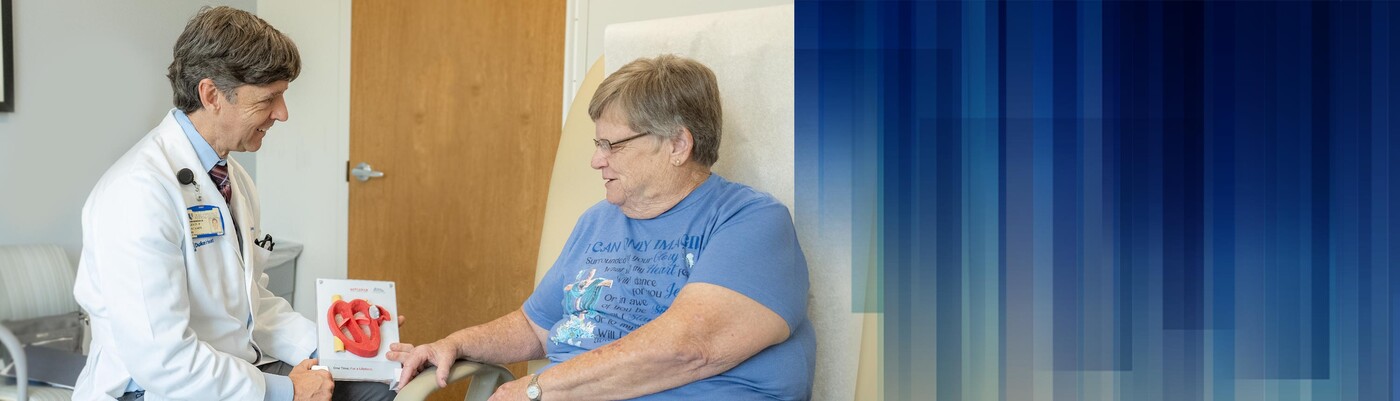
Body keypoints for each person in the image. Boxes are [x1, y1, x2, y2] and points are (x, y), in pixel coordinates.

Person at [389, 54, 815, 400]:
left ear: (678, 145)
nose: (597, 160)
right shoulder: (598, 220)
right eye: (598, 143)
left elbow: (687, 349)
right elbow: (535, 325)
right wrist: (456, 344)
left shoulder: (750, 221)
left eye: (613, 145)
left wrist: (535, 390)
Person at [71, 7, 394, 401]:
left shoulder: (232, 179)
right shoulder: (138, 193)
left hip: (231, 369)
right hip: (152, 390)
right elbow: (164, 361)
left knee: (377, 385)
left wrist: (345, 346)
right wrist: (287, 390)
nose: (283, 114)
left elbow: (252, 303)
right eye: (268, 99)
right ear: (211, 95)